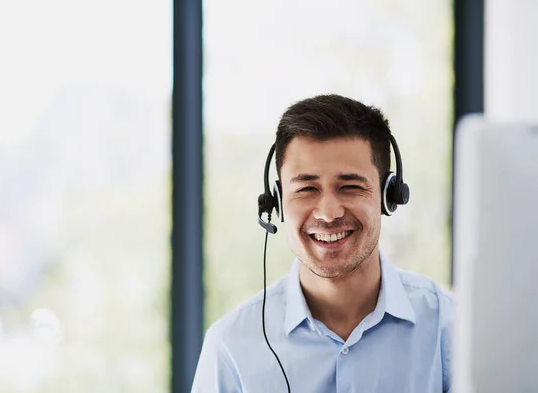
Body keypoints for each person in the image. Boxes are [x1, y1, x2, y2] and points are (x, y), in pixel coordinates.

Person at [191, 94, 454, 392]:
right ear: (276, 202)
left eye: (350, 187)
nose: (328, 213)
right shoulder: (231, 345)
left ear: (388, 196)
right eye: (306, 189)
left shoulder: (451, 329)